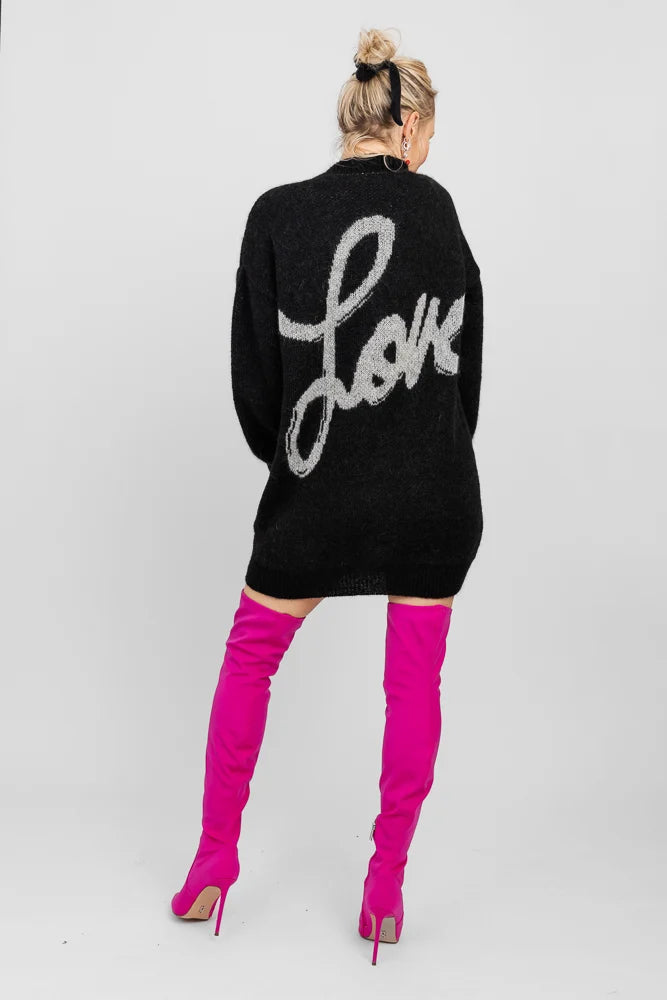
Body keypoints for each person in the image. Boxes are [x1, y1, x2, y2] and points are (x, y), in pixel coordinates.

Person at [171, 26, 485, 966]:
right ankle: (384, 887)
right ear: (409, 126)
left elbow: (255, 383)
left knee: (249, 658)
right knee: (413, 684)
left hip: (315, 498)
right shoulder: (440, 212)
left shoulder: (276, 214)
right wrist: (428, 459)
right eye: (430, 137)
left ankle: (212, 861)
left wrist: (298, 469)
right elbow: (465, 380)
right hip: (432, 501)